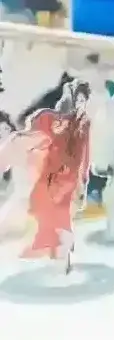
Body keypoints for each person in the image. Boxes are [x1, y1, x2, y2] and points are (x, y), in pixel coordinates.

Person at [0, 80, 91, 274]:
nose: (80, 104)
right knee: (48, 215)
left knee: (61, 219)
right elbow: (37, 136)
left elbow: (84, 153)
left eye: (84, 100)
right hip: (51, 175)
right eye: (78, 99)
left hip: (69, 178)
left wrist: (83, 180)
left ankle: (62, 261)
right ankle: (59, 258)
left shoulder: (83, 124)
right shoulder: (52, 119)